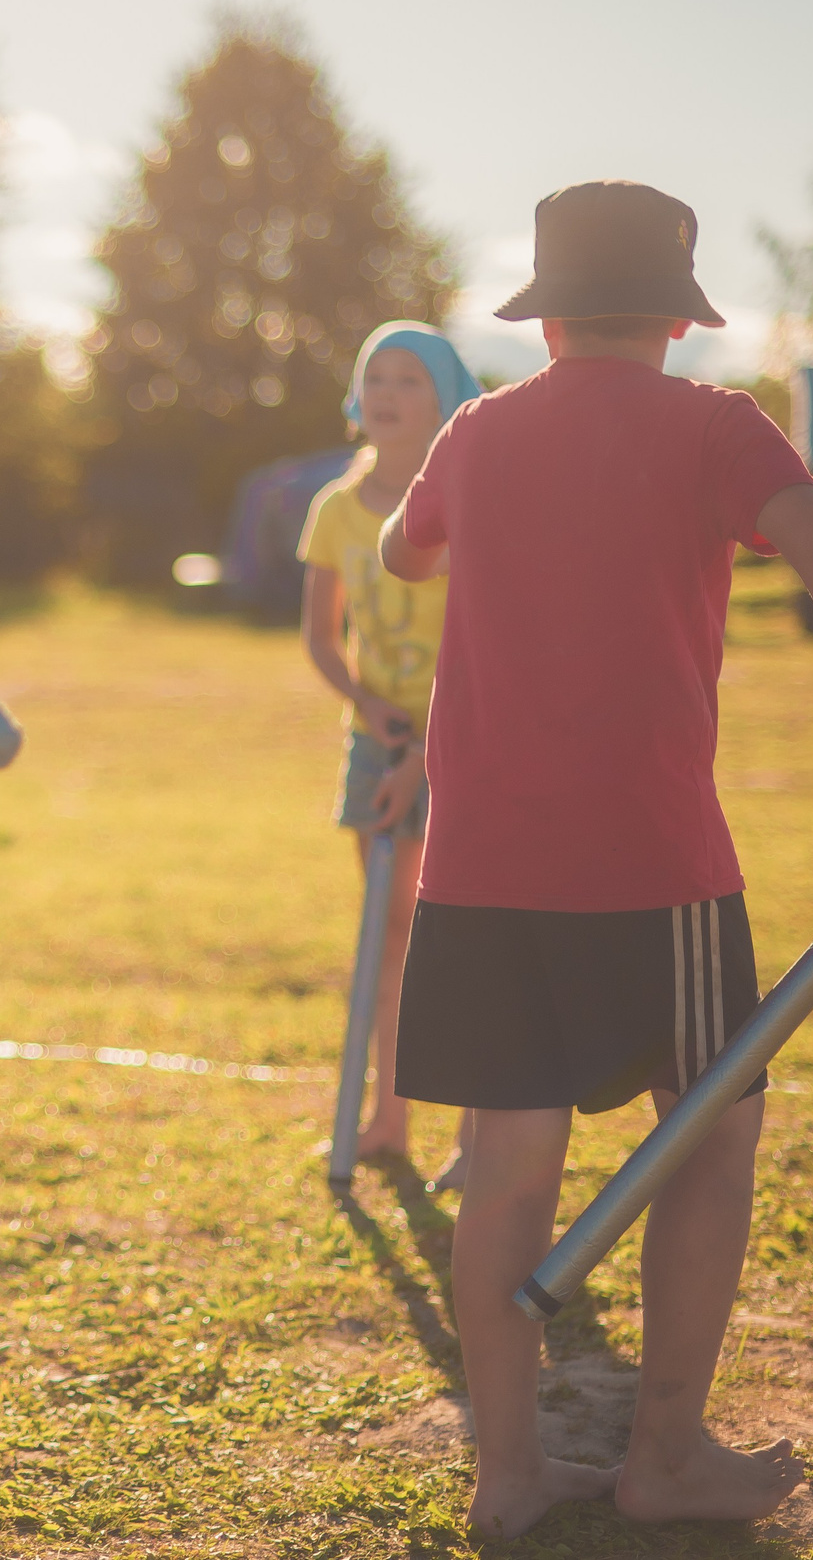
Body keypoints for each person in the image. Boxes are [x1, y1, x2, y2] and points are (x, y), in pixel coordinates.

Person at [378, 180, 813, 1540]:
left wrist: (426, 497)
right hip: (655, 866)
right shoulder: (717, 426)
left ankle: (507, 1475)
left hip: (479, 870)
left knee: (505, 1158)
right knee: (706, 1136)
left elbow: (402, 554)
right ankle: (664, 1457)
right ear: (676, 317)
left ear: (544, 321)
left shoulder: (474, 433)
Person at [298, 321, 481, 1192]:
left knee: (469, 935)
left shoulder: (467, 497)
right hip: (378, 745)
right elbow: (320, 636)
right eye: (376, 375)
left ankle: (477, 1136)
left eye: (410, 377)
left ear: (445, 398)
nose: (388, 392)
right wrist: (368, 706)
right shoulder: (335, 509)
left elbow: (486, 640)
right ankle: (388, 1118)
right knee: (389, 933)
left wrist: (430, 752)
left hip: (469, 741)